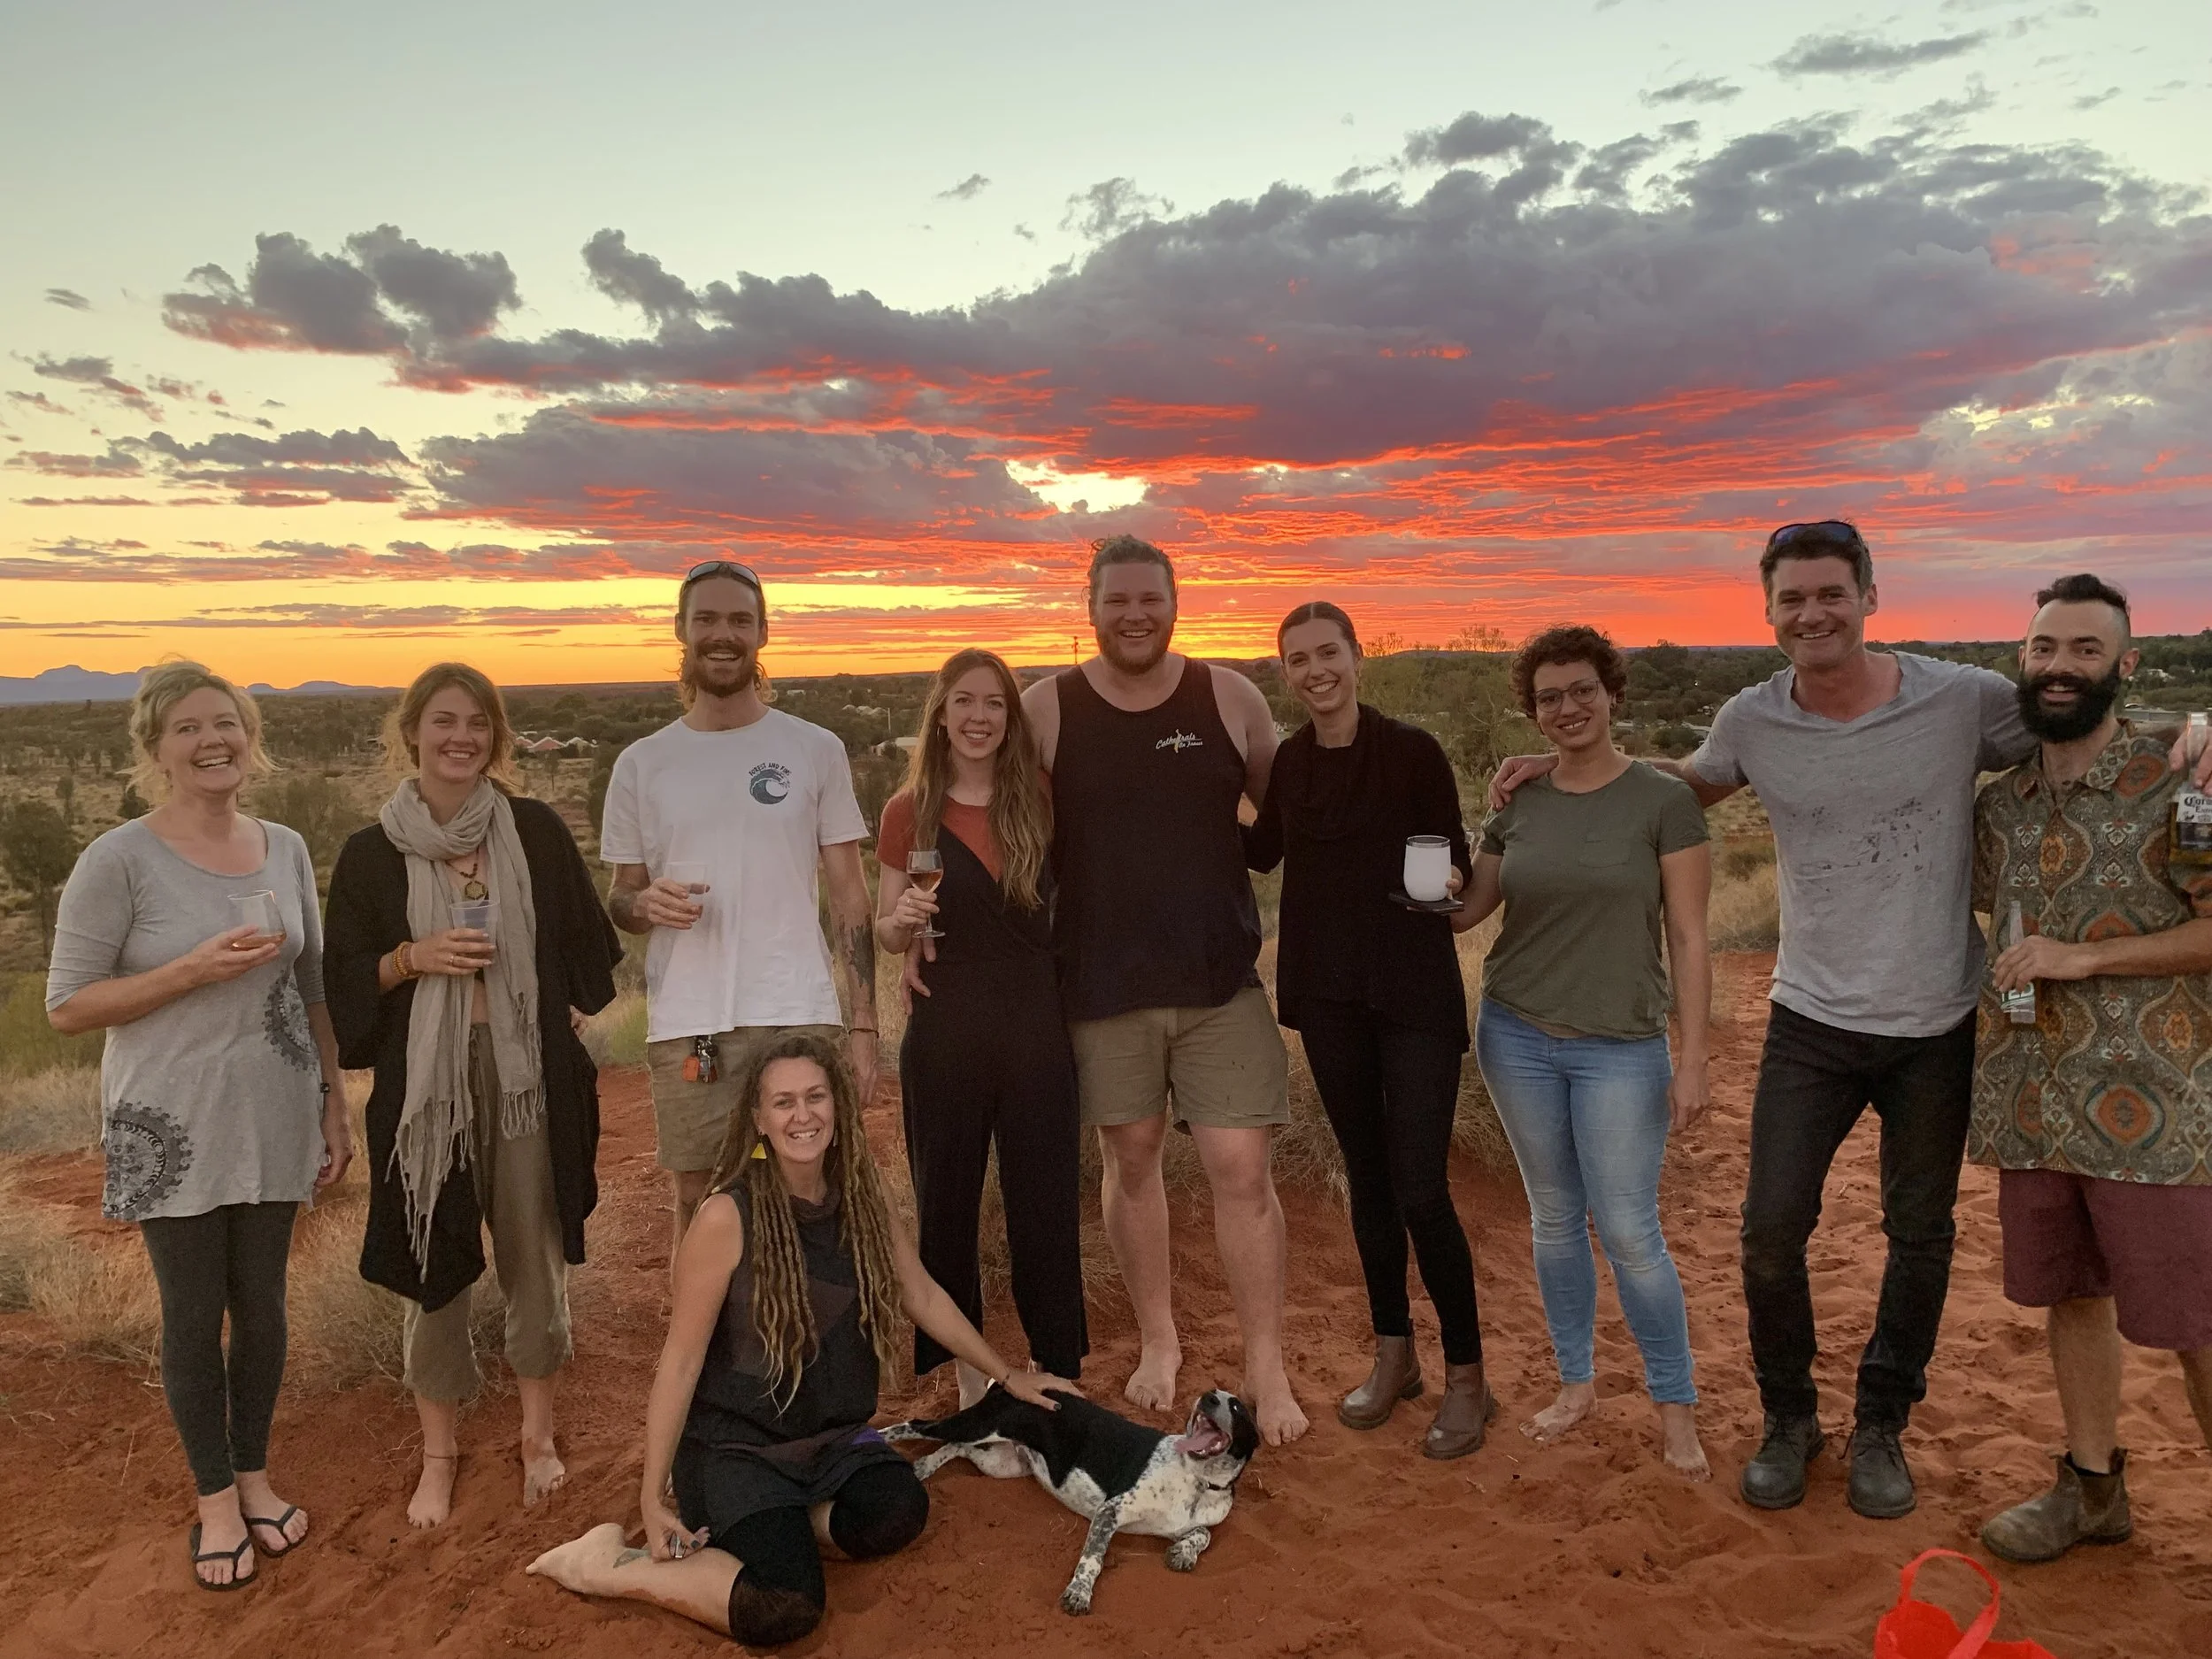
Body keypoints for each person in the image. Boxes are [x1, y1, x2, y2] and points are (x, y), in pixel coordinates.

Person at [1492, 522, 2212, 1517]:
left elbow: (2076, 713)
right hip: (1811, 1018)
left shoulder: (1957, 701)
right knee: (1768, 1233)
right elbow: (1674, 788)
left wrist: (2198, 723)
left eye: (1831, 593)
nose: (1812, 613)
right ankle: (1790, 1420)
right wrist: (1558, 758)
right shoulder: (1752, 719)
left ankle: (1881, 1425)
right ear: (1769, 612)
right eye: (1792, 599)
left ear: (1869, 595)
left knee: (1919, 1235)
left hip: (1937, 1021)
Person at [526, 1033, 1073, 1647]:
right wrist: (652, 1496)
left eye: (815, 1096)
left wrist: (1007, 1374)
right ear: (758, 1118)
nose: (802, 1114)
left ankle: (792, 1518)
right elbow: (679, 1364)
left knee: (900, 1510)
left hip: (829, 1441)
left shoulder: (862, 1196)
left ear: (837, 1107)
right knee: (785, 1605)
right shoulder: (725, 1216)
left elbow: (920, 1294)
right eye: (783, 1102)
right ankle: (609, 1563)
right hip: (738, 1450)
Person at [45, 660, 351, 1589]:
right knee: (192, 1313)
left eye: (226, 723)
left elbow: (311, 984)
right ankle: (215, 1496)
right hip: (168, 1119)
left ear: (249, 738)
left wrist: (336, 1102)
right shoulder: (119, 860)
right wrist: (190, 970)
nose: (212, 741)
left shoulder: (288, 847)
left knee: (262, 1306)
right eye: (188, 728)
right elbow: (67, 1006)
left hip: (274, 1106)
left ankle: (254, 1474)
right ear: (155, 749)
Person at [324, 664, 623, 1529]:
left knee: (533, 1254)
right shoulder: (370, 853)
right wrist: (412, 959)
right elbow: (346, 983)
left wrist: (568, 1002)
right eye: (443, 722)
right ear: (411, 730)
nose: (461, 738)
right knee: (434, 1261)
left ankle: (537, 1436)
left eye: (478, 725)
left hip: (528, 1080)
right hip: (428, 1088)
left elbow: (589, 945)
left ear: (496, 737)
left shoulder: (531, 830)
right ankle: (440, 1454)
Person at [1022, 534, 1304, 1443]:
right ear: (1091, 609)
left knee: (1239, 1170)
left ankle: (1266, 1363)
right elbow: (1002, 831)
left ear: (1175, 602)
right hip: (1100, 986)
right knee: (1131, 1159)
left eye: (1150, 598)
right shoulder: (1047, 709)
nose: (1134, 614)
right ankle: (1159, 1340)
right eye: (1117, 601)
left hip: (1218, 979)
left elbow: (1281, 813)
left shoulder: (1228, 696)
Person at [1965, 575, 2212, 1563]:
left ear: (2124, 666)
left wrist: (2084, 958)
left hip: (2158, 1107)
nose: (2058, 666)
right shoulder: (2003, 805)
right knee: (2073, 1296)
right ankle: (2093, 1490)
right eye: (2042, 648)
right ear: (2020, 660)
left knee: (2194, 1313)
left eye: (2082, 649)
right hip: (2034, 1099)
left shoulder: (2185, 787)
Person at [1244, 602, 1493, 1456]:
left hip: (1413, 989)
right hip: (1326, 994)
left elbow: (1445, 858)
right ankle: (1397, 1354)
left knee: (1420, 1183)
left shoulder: (1412, 751)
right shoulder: (1290, 763)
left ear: (1356, 657)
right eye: (1297, 659)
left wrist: (1449, 876)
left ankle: (1469, 1375)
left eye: (1328, 653)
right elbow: (1260, 849)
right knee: (1369, 1175)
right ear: (1284, 672)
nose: (1315, 670)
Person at [1464, 626, 1712, 1479]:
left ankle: (1675, 1410)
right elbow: (1469, 912)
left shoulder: (1661, 799)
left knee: (1632, 1230)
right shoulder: (1520, 800)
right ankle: (1576, 1386)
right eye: (1548, 697)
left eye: (1581, 690)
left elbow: (1687, 934)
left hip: (1621, 1046)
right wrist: (1432, 862)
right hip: (1515, 1032)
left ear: (1611, 693)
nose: (1566, 708)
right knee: (1555, 1220)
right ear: (1531, 711)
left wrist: (1694, 1057)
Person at [600, 560, 879, 1262]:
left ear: (761, 633)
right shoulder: (643, 762)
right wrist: (644, 901)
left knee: (813, 1191)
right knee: (700, 1197)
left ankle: (811, 1358)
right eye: (707, 620)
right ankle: (705, 1366)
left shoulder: (814, 749)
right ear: (681, 631)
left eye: (739, 620)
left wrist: (865, 1024)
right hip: (693, 1024)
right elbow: (621, 896)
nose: (723, 635)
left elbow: (849, 893)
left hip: (799, 1009)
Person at [875, 649, 1087, 1407]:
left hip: (1036, 1021)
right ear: (940, 712)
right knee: (948, 1205)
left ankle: (1055, 1364)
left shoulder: (1038, 796)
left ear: (1010, 716)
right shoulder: (910, 809)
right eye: (963, 701)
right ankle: (970, 1378)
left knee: (1046, 1203)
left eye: (993, 703)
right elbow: (889, 930)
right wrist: (898, 925)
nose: (977, 717)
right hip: (947, 1027)